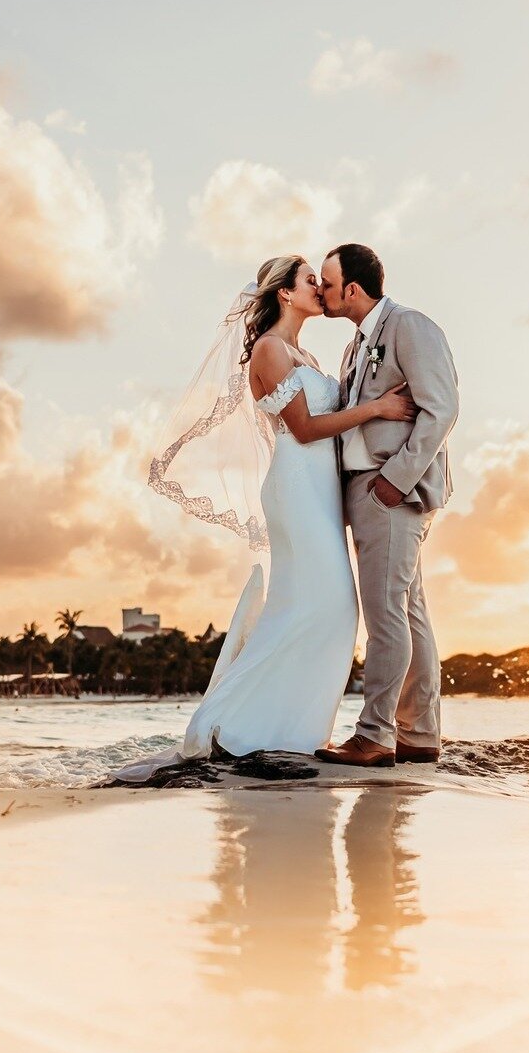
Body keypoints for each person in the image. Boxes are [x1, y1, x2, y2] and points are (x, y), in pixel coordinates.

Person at [123, 254, 415, 777]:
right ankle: (246, 725)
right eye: (310, 282)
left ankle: (291, 729)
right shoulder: (270, 349)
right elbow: (303, 428)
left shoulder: (302, 352)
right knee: (327, 608)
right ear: (285, 293)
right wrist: (377, 410)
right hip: (296, 488)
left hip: (319, 491)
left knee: (319, 609)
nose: (320, 289)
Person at [314, 243, 459, 767]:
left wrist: (396, 480)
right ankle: (418, 733)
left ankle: (375, 735)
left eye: (327, 285)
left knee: (384, 611)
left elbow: (440, 409)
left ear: (353, 288)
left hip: (393, 487)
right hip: (367, 490)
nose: (321, 293)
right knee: (408, 608)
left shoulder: (410, 325)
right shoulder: (354, 346)